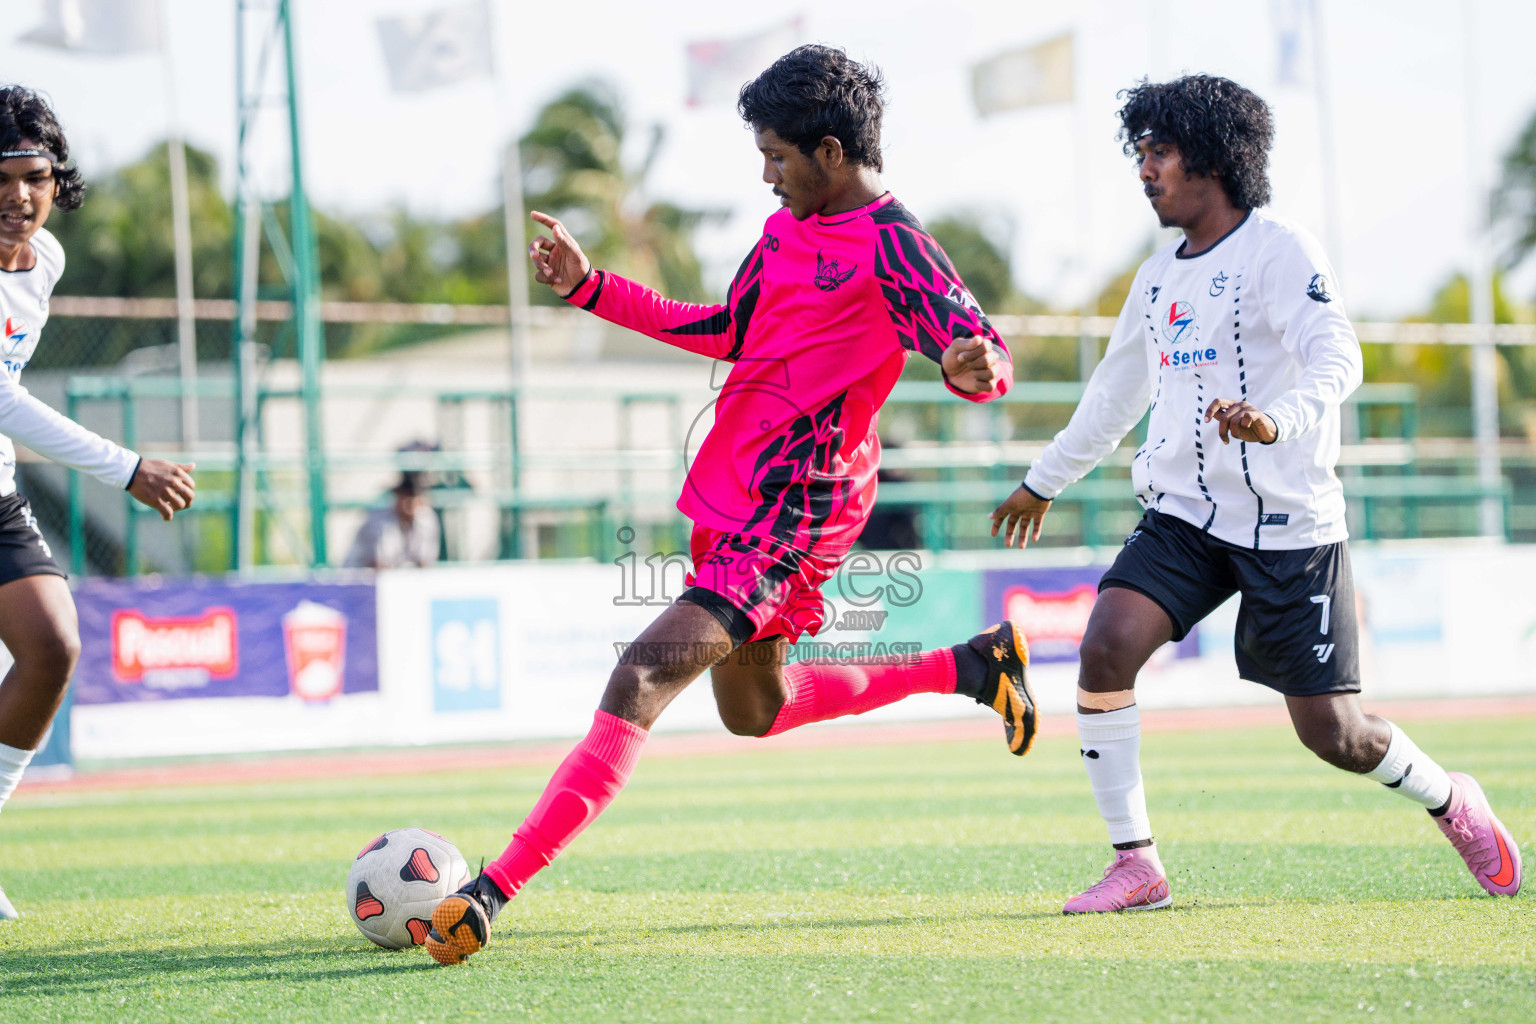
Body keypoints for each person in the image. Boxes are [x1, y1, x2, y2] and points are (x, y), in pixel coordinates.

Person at [424, 45, 1036, 965]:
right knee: (755, 710)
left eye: (778, 157)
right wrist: (592, 289)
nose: (766, 175)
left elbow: (973, 343)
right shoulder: (789, 230)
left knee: (640, 675)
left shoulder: (894, 242)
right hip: (735, 492)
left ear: (832, 152)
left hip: (800, 507)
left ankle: (490, 890)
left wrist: (975, 367)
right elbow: (726, 328)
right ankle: (973, 667)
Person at [989, 74, 1521, 913]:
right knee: (1105, 646)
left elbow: (1335, 355)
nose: (1144, 170)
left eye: (1158, 152)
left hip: (1288, 526)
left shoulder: (1282, 248)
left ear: (1212, 158)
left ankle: (1452, 801)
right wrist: (1041, 480)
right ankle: (1138, 865)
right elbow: (1115, 392)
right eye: (1139, 153)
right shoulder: (1156, 277)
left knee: (1334, 734)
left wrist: (1276, 420)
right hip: (1183, 518)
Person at [0, 86, 197, 921]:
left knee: (53, 644)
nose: (17, 194)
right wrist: (126, 467)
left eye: (33, 176)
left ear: (56, 180)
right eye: (0, 177)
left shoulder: (45, 263)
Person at [344, 472, 438, 569]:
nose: (410, 501)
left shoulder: (426, 518)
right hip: (358, 576)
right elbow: (380, 564)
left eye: (414, 495)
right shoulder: (379, 520)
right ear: (397, 498)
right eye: (406, 495)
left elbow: (425, 561)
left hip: (395, 576)